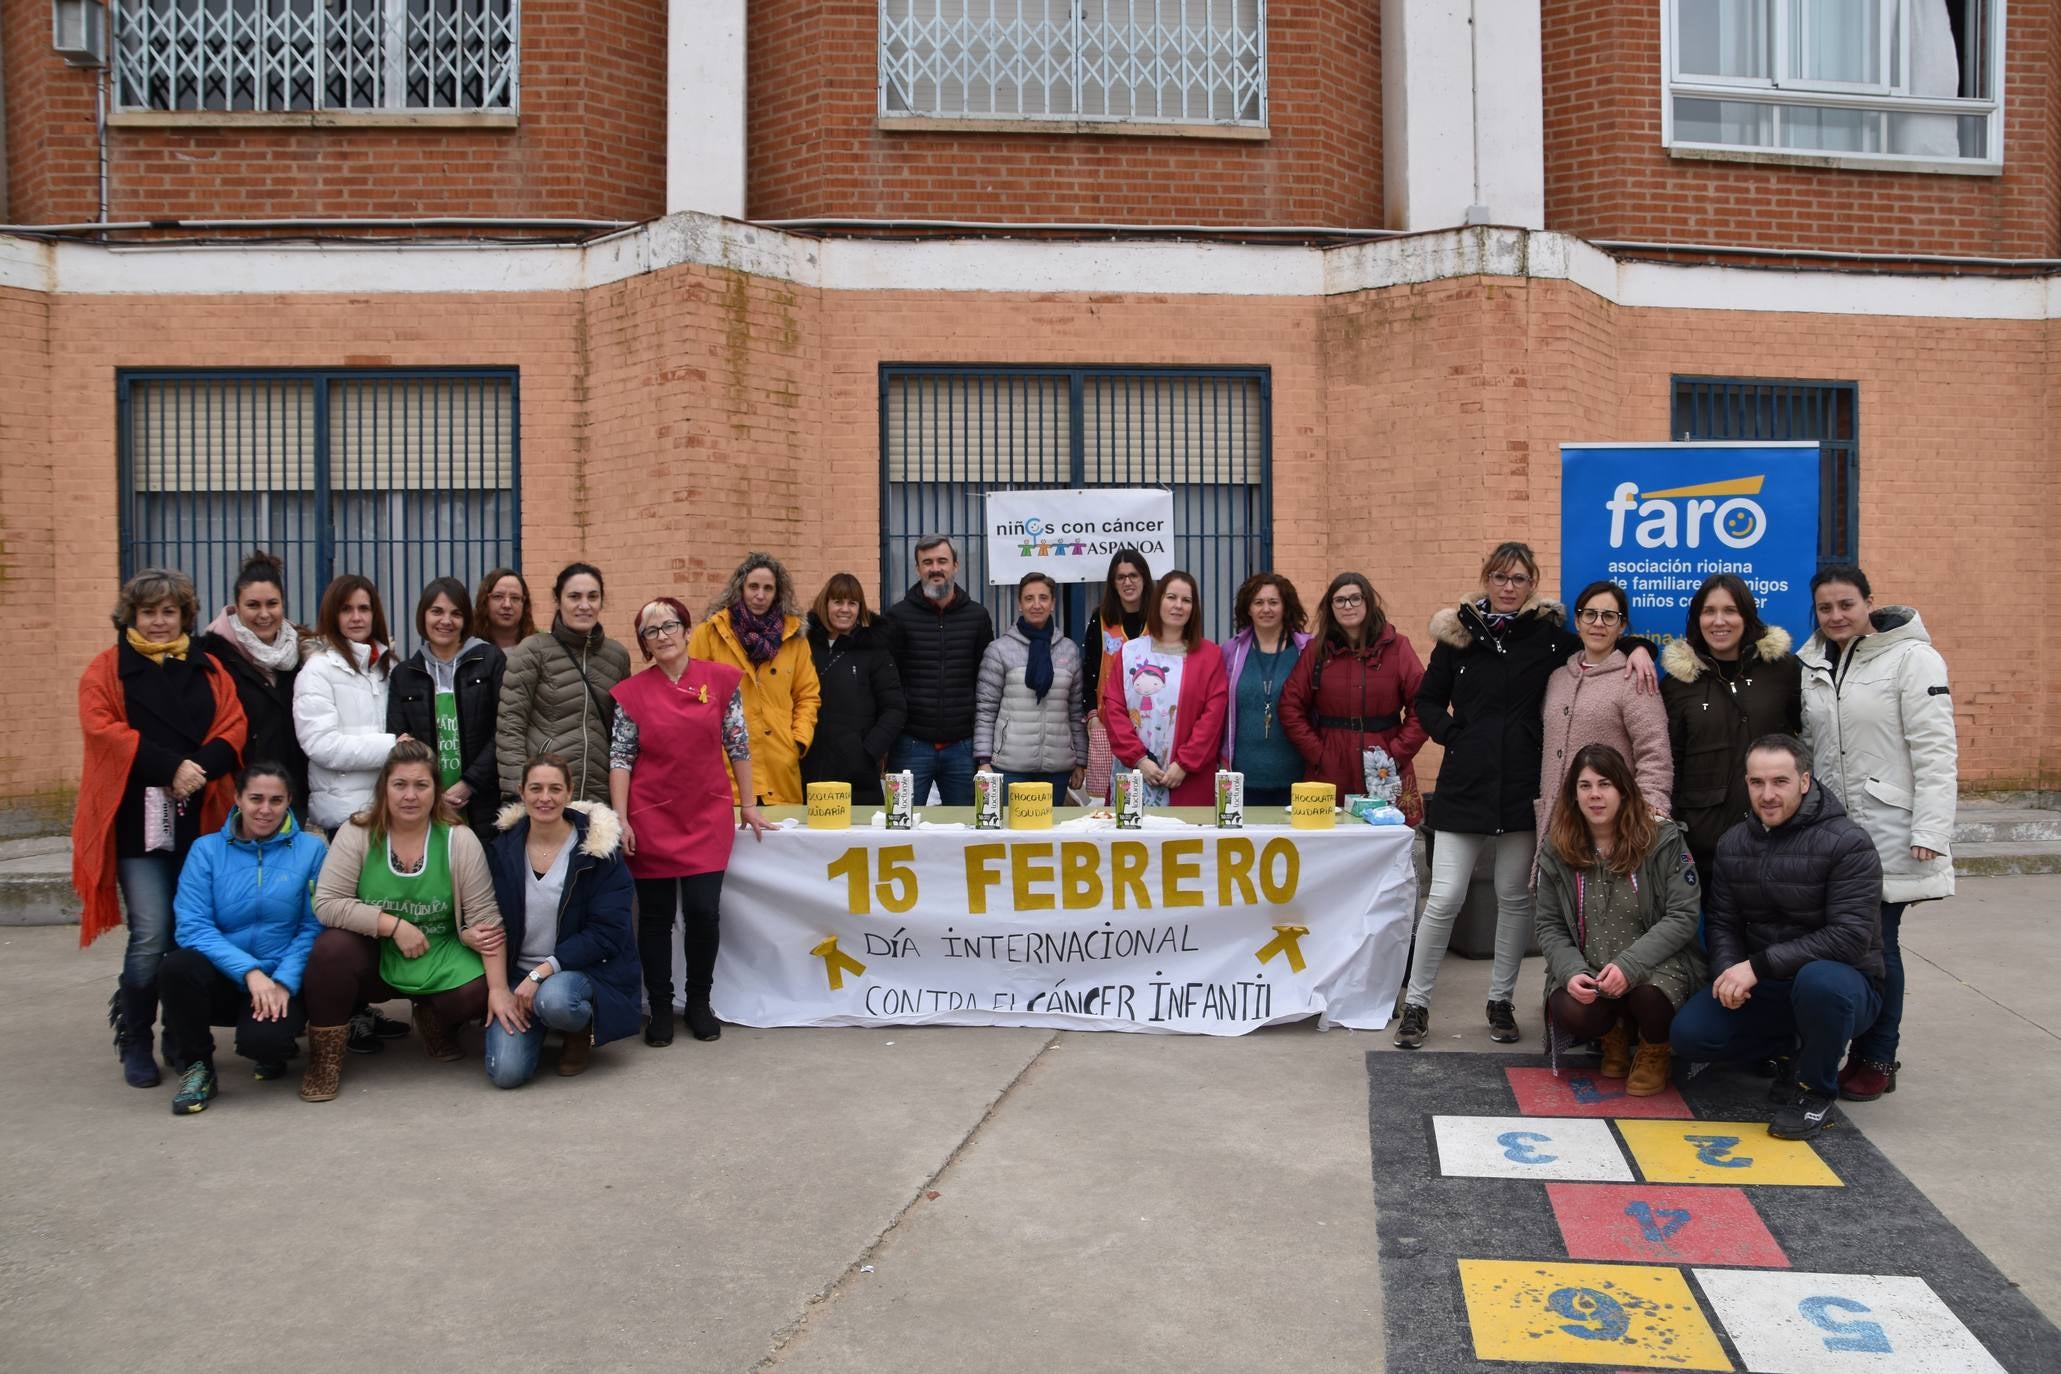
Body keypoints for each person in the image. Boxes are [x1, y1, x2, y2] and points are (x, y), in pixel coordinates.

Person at [1399, 542, 1656, 1050]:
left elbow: (1599, 644)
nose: (1508, 586)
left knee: (1515, 900)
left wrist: (1643, 644)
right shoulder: (1458, 637)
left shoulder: (1549, 639)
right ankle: (1417, 1006)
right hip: (1463, 789)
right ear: (1486, 579)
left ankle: (1500, 1001)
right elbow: (1426, 700)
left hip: (1523, 791)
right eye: (1500, 577)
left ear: (1532, 582)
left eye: (1518, 578)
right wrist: (1456, 737)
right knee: (1445, 897)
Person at [73, 568, 248, 1089]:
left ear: (185, 617)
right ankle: (134, 1036)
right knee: (151, 934)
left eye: (168, 611)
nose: (157, 621)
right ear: (131, 616)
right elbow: (102, 730)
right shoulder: (105, 671)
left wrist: (198, 769)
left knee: (190, 933)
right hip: (135, 826)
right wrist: (169, 767)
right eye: (148, 611)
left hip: (201, 822)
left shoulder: (209, 668)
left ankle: (180, 1033)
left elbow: (233, 726)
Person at [1669, 735, 1885, 1141]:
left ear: (1805, 781)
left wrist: (1757, 965)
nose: (1767, 795)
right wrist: (1729, 972)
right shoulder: (1735, 842)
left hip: (1843, 986)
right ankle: (1793, 1049)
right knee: (1690, 1035)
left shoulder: (1849, 843)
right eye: (1756, 783)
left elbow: (1849, 937)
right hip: (1767, 985)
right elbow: (1723, 921)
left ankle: (1815, 1090)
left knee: (1819, 984)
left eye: (1780, 782)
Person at [1796, 565, 1956, 1104]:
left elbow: (1936, 750)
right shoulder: (1811, 662)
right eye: (1825, 608)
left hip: (1890, 831)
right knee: (1846, 946)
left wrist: (1931, 827)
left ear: (1869, 603)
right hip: (1832, 836)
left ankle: (1877, 1056)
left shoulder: (1913, 659)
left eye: (1846, 604)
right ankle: (1847, 1048)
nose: (1837, 616)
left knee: (1878, 945)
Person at [298, 740, 515, 1102]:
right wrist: (394, 926)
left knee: (478, 991)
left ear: (436, 791)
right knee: (330, 951)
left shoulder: (458, 840)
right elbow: (328, 903)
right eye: (400, 785)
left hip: (438, 949)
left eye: (421, 785)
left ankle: (434, 1017)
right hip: (375, 954)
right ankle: (325, 1060)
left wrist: (499, 990)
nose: (410, 795)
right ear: (384, 788)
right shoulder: (358, 832)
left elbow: (485, 918)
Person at [611, 597, 773, 1045]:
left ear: (686, 630)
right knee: (656, 918)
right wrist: (621, 818)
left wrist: (749, 805)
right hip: (650, 817)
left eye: (669, 626)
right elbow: (621, 758)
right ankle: (660, 1006)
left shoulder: (721, 681)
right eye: (651, 631)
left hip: (706, 814)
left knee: (704, 912)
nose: (662, 636)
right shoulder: (632, 693)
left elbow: (738, 744)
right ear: (644, 643)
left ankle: (698, 1001)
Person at [1533, 745, 1705, 1097]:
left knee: (1651, 999)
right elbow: (1549, 925)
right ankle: (1613, 1035)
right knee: (1569, 1006)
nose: (1595, 795)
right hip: (1592, 963)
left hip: (1655, 965)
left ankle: (1655, 1048)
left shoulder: (1661, 838)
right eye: (1585, 786)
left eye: (1605, 784)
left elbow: (1683, 915)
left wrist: (1628, 965)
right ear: (1573, 794)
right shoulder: (1557, 846)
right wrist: (1570, 971)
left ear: (1624, 790)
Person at [158, 762, 326, 1114]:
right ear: (237, 798)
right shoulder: (206, 850)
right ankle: (198, 1067)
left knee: (266, 1044)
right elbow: (192, 926)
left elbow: (314, 925)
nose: (265, 809)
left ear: (289, 802)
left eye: (276, 800)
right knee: (176, 966)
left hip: (279, 980)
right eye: (256, 799)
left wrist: (283, 980)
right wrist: (249, 973)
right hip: (223, 977)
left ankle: (271, 1049)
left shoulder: (312, 851)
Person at [480, 755, 641, 1088]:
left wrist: (543, 972)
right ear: (521, 792)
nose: (545, 798)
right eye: (536, 788)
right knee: (506, 1074)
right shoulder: (501, 849)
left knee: (556, 1001)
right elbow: (484, 912)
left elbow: (608, 933)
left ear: (569, 794)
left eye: (555, 789)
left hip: (576, 971)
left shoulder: (598, 851)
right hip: (518, 973)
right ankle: (536, 1024)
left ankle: (577, 1030)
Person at [1660, 573, 1802, 880]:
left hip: (1776, 835)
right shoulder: (1678, 685)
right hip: (1706, 843)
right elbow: (1671, 760)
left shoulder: (1783, 670)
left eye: (1730, 610)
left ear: (1747, 616)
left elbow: (1806, 738)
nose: (1719, 621)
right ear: (1697, 619)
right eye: (1709, 611)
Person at [1278, 573, 1426, 819]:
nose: (1348, 606)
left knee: (1388, 839)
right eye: (1340, 600)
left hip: (1384, 762)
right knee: (1329, 839)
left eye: (1355, 598)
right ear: (1331, 607)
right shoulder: (1316, 652)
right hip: (1331, 764)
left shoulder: (1398, 647)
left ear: (1368, 601)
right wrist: (1318, 753)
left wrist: (1397, 753)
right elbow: (1290, 706)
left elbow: (1423, 704)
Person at [1535, 580, 1672, 839]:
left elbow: (1654, 751)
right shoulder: (1557, 678)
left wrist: (1650, 810)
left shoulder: (1635, 678)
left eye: (1609, 616)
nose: (1598, 623)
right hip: (1557, 825)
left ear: (1621, 626)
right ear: (1577, 622)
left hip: (1612, 826)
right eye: (1590, 614)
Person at [688, 552, 821, 807]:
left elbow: (807, 695)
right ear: (741, 587)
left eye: (768, 588)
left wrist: (798, 740)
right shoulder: (710, 632)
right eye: (754, 587)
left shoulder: (794, 638)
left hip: (779, 764)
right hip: (726, 767)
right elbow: (693, 692)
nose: (760, 595)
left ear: (777, 593)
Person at [496, 562, 631, 805]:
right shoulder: (533, 650)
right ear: (558, 601)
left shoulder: (617, 656)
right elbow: (510, 727)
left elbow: (623, 734)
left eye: (593, 596)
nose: (584, 605)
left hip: (599, 799)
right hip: (544, 796)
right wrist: (520, 792)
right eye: (574, 596)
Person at [387, 577, 507, 840]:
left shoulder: (489, 660)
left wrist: (469, 784)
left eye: (456, 613)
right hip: (427, 805)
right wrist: (432, 792)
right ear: (423, 616)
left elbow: (504, 729)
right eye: (437, 611)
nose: (446, 621)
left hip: (483, 802)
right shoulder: (404, 674)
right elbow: (399, 739)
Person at [196, 550, 312, 817]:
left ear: (283, 604)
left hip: (290, 792)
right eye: (253, 605)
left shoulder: (303, 652)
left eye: (272, 604)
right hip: (237, 793)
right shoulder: (213, 656)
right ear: (236, 607)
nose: (264, 614)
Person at [882, 535, 994, 805]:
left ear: (955, 565)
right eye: (927, 562)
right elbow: (887, 683)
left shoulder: (977, 617)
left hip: (963, 747)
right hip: (910, 745)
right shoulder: (897, 617)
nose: (935, 568)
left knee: (966, 830)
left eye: (942, 561)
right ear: (917, 568)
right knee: (901, 824)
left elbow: (986, 681)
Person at [1101, 571, 1229, 808]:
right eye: (1171, 597)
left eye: (1186, 600)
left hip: (1186, 779)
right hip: (1134, 773)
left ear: (1194, 608)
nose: (1178, 606)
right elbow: (1113, 709)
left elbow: (1212, 719)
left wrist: (1183, 764)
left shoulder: (1210, 656)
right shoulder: (1130, 652)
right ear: (1158, 601)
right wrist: (1139, 759)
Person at [293, 574, 398, 833]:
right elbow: (321, 744)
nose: (356, 617)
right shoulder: (318, 669)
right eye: (346, 609)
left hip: (391, 810)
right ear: (333, 615)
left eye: (364, 608)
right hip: (344, 817)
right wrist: (392, 746)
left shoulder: (389, 667)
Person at [975, 572, 1089, 798]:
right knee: (1012, 832)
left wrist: (1081, 761)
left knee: (1050, 832)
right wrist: (983, 760)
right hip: (1009, 767)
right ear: (1019, 604)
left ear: (1053, 603)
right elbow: (985, 710)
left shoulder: (1069, 650)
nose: (1036, 604)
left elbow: (1076, 711)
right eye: (1029, 598)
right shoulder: (999, 650)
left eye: (1043, 598)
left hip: (1057, 768)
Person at [802, 573, 907, 807]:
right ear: (825, 603)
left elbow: (895, 709)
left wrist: (867, 752)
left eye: (852, 603)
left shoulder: (875, 651)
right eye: (838, 601)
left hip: (857, 775)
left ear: (860, 608)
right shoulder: (803, 645)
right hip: (806, 769)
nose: (845, 609)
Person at [1221, 573, 1313, 808]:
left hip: (1298, 777)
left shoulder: (1308, 650)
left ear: (1286, 606)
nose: (1266, 609)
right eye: (1258, 602)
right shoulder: (1232, 651)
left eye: (1274, 602)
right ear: (1248, 608)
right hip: (1242, 778)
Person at [1081, 548, 1153, 802]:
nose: (1128, 582)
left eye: (1133, 575)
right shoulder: (1100, 618)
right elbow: (1088, 669)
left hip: (1152, 724)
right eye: (1120, 577)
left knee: (1150, 795)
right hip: (1108, 724)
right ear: (1113, 583)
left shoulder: (1159, 619)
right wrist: (1091, 715)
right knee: (1109, 803)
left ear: (1144, 578)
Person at [474, 567, 536, 653]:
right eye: (498, 596)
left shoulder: (541, 645)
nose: (507, 605)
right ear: (484, 601)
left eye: (515, 598)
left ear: (524, 604)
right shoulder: (467, 647)